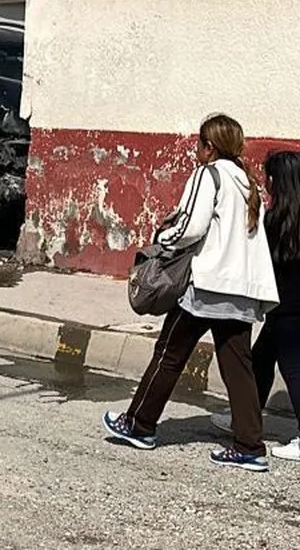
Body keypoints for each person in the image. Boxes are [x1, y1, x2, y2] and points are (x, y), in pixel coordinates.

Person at [103, 114, 279, 472]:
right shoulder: (247, 181)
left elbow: (191, 227)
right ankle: (249, 444)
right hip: (241, 289)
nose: (196, 151)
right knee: (237, 367)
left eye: (199, 144)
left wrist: (161, 241)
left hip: (207, 285)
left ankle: (139, 424)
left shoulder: (208, 174)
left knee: (169, 353)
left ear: (209, 147)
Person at [210, 150, 300, 464]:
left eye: (269, 177)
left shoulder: (276, 219)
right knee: (261, 358)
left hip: (289, 308)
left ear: (279, 181)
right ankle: (245, 422)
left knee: (294, 369)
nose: (266, 182)